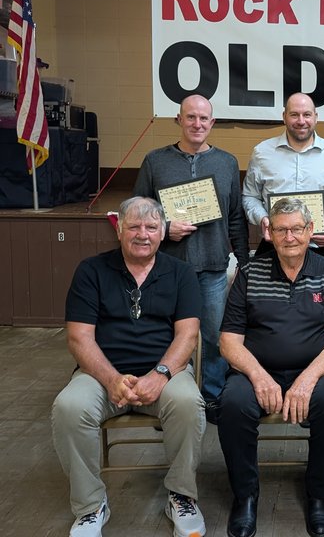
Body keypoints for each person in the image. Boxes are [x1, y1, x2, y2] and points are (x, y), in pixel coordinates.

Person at [51, 197, 206, 537]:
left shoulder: (181, 273)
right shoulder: (91, 271)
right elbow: (79, 338)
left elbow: (188, 335)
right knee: (69, 406)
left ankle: (181, 496)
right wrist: (111, 380)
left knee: (188, 403)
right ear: (119, 229)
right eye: (134, 226)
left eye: (151, 227)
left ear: (162, 232)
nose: (142, 234)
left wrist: (160, 375)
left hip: (165, 373)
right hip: (100, 375)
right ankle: (91, 506)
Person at [218, 198, 324, 537]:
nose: (289, 237)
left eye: (296, 229)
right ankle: (245, 496)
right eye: (281, 230)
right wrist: (259, 376)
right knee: (232, 405)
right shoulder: (249, 274)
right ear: (270, 233)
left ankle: (318, 493)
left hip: (315, 372)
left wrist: (307, 380)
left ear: (310, 230)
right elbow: (229, 342)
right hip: (257, 372)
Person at [134, 94, 249, 421]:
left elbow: (236, 217)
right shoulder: (155, 161)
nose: (197, 124)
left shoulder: (227, 163)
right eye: (191, 117)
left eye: (203, 118)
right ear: (179, 120)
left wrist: (244, 261)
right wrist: (164, 228)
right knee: (165, 336)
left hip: (213, 268)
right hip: (166, 269)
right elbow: (137, 212)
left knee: (214, 337)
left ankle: (212, 396)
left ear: (212, 123)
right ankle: (164, 398)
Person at [243, 92, 324, 261]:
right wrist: (262, 218)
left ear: (316, 117)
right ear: (284, 117)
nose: (301, 121)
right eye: (294, 115)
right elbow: (250, 196)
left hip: (319, 248)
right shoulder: (262, 153)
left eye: (307, 115)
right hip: (274, 247)